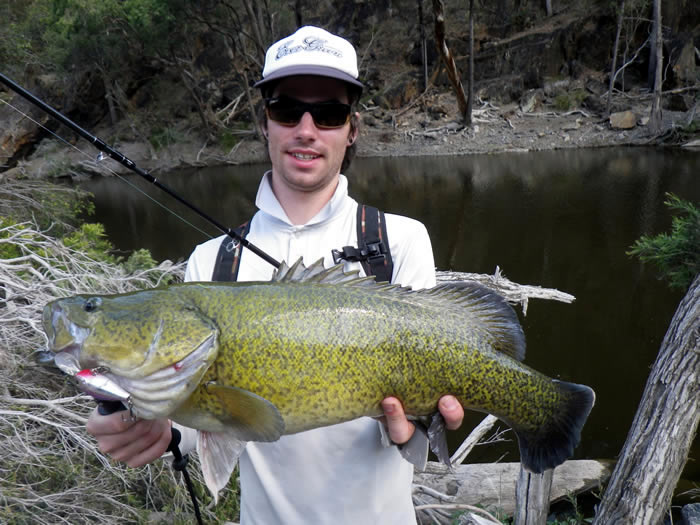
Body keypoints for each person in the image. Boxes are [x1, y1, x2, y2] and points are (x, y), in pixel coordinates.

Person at [87, 25, 464, 524]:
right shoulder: (211, 264)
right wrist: (160, 429)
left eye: (329, 113)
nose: (306, 129)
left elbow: (417, 445)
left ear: (352, 129)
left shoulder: (398, 242)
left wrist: (417, 426)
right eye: (287, 109)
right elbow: (213, 419)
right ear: (265, 122)